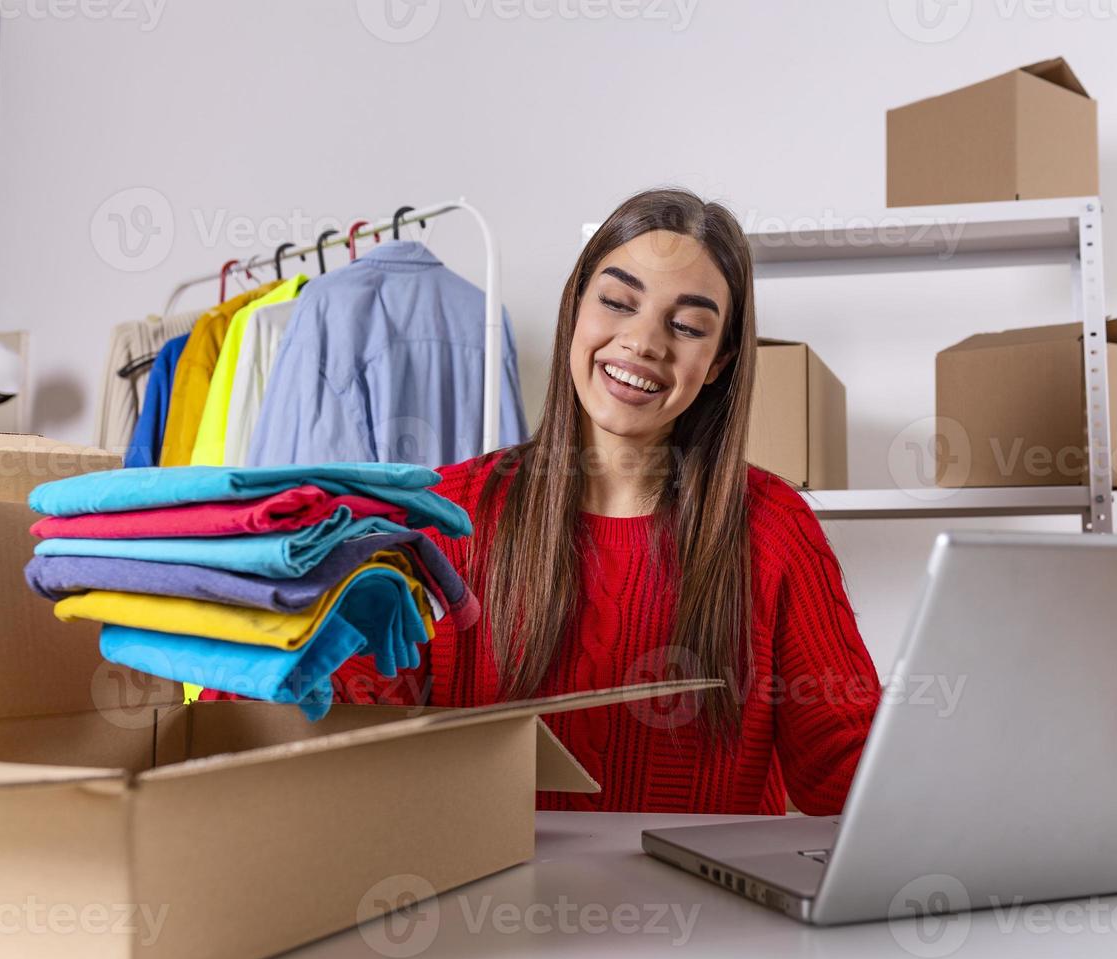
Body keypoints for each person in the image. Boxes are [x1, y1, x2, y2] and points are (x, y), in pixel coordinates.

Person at [344, 188, 881, 815]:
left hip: (708, 914)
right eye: (619, 302)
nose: (643, 341)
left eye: (686, 326)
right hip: (493, 907)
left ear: (718, 363)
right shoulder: (443, 516)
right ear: (575, 310)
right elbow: (345, 732)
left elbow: (849, 778)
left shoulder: (773, 527)